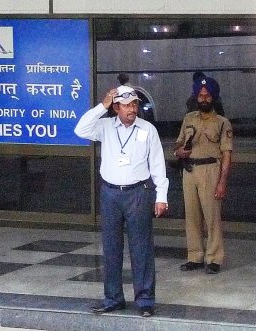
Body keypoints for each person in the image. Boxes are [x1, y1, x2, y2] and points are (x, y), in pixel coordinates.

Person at [74, 85, 169, 317]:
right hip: (110, 194)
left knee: (142, 248)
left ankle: (145, 299)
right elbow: (80, 129)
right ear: (116, 107)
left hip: (138, 193)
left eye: (134, 104)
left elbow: (157, 164)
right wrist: (101, 106)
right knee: (111, 248)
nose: (132, 109)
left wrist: (161, 196)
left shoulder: (147, 129)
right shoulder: (105, 127)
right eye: (127, 105)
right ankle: (113, 297)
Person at [174, 77, 233, 274]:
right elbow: (178, 143)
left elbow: (226, 154)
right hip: (189, 171)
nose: (204, 98)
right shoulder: (189, 118)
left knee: (212, 216)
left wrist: (222, 182)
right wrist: (179, 152)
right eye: (200, 95)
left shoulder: (222, 123)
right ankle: (195, 256)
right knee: (191, 215)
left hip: (210, 170)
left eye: (207, 96)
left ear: (213, 98)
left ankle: (214, 258)